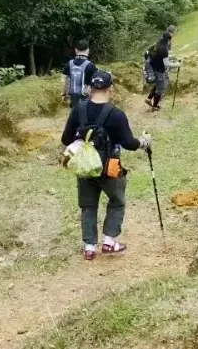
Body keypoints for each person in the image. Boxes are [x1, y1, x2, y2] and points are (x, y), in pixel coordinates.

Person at [60, 69, 151, 260]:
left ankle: (89, 247)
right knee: (117, 201)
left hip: (85, 167)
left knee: (88, 205)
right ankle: (109, 242)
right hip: (110, 167)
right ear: (111, 89)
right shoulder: (116, 114)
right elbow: (128, 143)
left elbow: (66, 138)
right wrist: (144, 142)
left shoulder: (79, 110)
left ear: (90, 88)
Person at [62, 39, 97, 109]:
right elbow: (95, 84)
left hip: (73, 98)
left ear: (76, 50)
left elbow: (64, 81)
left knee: (75, 116)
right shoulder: (90, 65)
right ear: (88, 50)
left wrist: (64, 94)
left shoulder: (69, 64)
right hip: (86, 98)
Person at [144, 32, 171, 110]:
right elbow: (167, 63)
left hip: (153, 68)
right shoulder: (164, 49)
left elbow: (158, 56)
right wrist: (177, 65)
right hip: (159, 70)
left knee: (157, 85)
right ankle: (155, 107)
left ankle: (149, 99)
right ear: (168, 40)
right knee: (160, 89)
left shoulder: (157, 44)